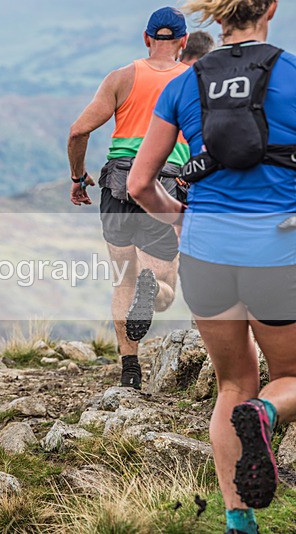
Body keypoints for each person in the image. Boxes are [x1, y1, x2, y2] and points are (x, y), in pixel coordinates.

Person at [127, 1, 296, 532]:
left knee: (232, 385)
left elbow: (138, 183)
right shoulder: (292, 74)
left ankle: (238, 522)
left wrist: (180, 219)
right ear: (271, 7)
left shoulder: (184, 83)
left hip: (205, 253)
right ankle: (266, 414)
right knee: (288, 376)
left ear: (216, 16)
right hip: (276, 251)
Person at [67, 7, 190, 390]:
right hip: (163, 184)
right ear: (184, 42)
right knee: (164, 291)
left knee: (124, 280)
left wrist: (78, 177)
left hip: (117, 183)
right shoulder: (192, 81)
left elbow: (78, 131)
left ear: (146, 38)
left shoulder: (121, 78)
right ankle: (151, 288)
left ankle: (130, 369)